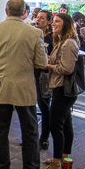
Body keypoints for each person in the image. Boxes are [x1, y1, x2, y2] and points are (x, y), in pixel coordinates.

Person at [0, 0, 48, 169]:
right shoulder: (34, 33)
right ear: (25, 12)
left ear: (6, 11)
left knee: (1, 130)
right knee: (30, 131)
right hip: (24, 87)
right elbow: (41, 63)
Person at [43, 13, 79, 169]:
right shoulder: (62, 42)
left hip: (63, 89)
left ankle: (57, 162)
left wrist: (49, 66)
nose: (53, 24)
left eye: (57, 21)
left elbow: (67, 69)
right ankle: (64, 158)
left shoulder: (68, 43)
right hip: (60, 87)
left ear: (66, 24)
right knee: (66, 123)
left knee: (55, 124)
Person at [33, 9, 53, 150]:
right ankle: (31, 136)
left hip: (44, 76)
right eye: (37, 17)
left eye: (42, 18)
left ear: (48, 21)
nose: (38, 20)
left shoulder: (52, 38)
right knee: (30, 107)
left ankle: (44, 138)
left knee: (44, 106)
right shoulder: (33, 34)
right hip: (31, 73)